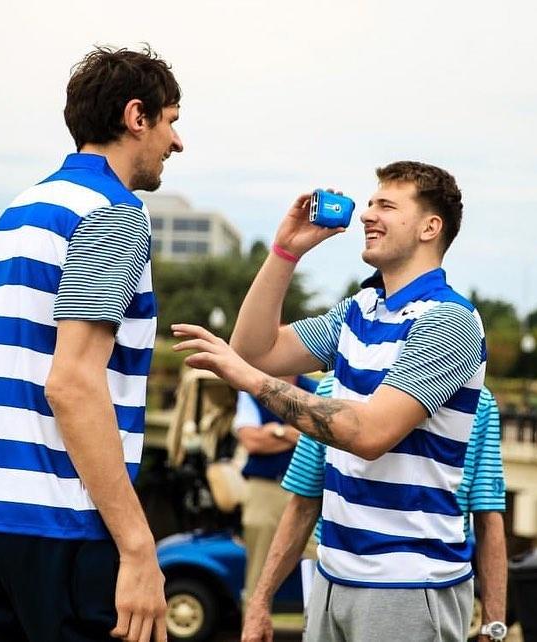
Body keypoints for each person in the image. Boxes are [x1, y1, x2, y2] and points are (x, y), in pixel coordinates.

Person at [173, 161, 486, 641]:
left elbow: (369, 433)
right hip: (334, 573)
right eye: (370, 203)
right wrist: (285, 252)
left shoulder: (449, 320)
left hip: (407, 581)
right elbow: (254, 350)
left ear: (430, 227)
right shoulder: (361, 309)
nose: (367, 214)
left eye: (386, 205)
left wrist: (252, 382)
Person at [0, 46, 183, 642]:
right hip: (63, 523)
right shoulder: (114, 214)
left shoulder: (19, 210)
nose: (176, 142)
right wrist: (138, 546)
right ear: (136, 117)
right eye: (170, 121)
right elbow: (72, 384)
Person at [239, 378, 508, 642]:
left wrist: (493, 626)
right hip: (329, 585)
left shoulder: (476, 399)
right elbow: (302, 505)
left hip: (418, 588)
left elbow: (488, 518)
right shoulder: (332, 387)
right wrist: (260, 600)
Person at [233, 374, 318, 606]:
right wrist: (292, 433)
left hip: (310, 490)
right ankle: (254, 619)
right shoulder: (252, 389)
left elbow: (320, 436)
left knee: (321, 561)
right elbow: (252, 442)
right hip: (265, 489)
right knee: (258, 571)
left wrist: (275, 431)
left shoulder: (315, 389)